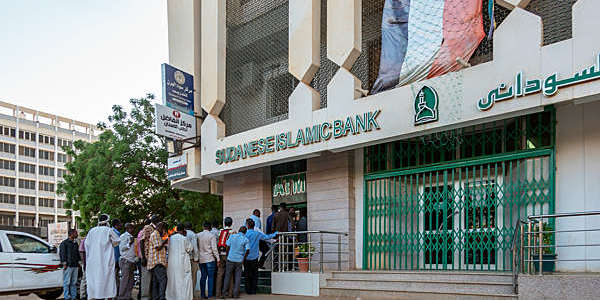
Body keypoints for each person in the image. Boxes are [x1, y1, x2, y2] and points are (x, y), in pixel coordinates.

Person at [85, 214, 121, 299]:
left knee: (95, 280)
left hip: (93, 262)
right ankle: (108, 298)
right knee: (107, 280)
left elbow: (87, 245)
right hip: (105, 261)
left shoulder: (92, 231)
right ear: (107, 221)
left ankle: (96, 297)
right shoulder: (108, 230)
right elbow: (117, 241)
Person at [244, 219, 277, 295]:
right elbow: (267, 237)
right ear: (253, 226)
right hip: (254, 257)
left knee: (247, 274)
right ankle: (253, 290)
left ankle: (248, 290)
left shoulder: (245, 234)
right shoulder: (257, 234)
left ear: (247, 226)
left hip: (246, 257)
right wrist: (275, 233)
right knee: (255, 274)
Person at [166, 223, 193, 300]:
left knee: (173, 280)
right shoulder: (184, 238)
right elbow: (190, 248)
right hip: (182, 263)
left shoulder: (171, 238)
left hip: (172, 263)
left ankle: (172, 297)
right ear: (183, 230)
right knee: (184, 281)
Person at [221, 226, 250, 299]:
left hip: (230, 259)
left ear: (239, 230)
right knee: (238, 278)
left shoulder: (232, 236)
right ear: (245, 232)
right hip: (239, 260)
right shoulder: (246, 239)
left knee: (227, 276)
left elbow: (227, 246)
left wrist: (228, 255)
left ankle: (224, 293)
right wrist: (244, 258)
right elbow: (248, 250)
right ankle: (235, 294)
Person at [198, 221, 220, 299]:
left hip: (201, 259)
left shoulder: (198, 235)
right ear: (210, 227)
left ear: (203, 226)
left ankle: (202, 295)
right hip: (210, 259)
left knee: (203, 277)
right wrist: (218, 259)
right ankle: (210, 295)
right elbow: (214, 249)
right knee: (211, 277)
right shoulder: (211, 235)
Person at [148, 222, 169, 300]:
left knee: (155, 282)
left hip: (155, 262)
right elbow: (158, 247)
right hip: (157, 262)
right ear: (162, 228)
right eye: (165, 230)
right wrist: (165, 241)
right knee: (163, 280)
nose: (165, 232)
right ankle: (161, 297)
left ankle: (156, 297)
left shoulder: (156, 235)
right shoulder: (155, 234)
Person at [140, 215, 160, 300]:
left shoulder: (155, 229)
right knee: (146, 278)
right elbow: (141, 241)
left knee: (152, 279)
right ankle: (145, 297)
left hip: (153, 257)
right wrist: (143, 257)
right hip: (147, 257)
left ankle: (151, 296)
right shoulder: (148, 227)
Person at [59, 229, 80, 300]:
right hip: (68, 266)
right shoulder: (64, 243)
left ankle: (73, 297)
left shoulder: (75, 243)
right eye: (75, 233)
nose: (77, 234)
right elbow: (62, 254)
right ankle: (66, 297)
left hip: (75, 265)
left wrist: (79, 263)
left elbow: (77, 254)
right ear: (71, 234)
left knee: (74, 282)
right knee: (67, 282)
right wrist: (64, 263)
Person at [215, 217, 233, 298]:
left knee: (220, 274)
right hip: (229, 255)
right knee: (230, 274)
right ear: (231, 223)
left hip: (220, 254)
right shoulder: (232, 232)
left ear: (224, 223)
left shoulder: (220, 231)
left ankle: (218, 293)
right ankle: (229, 293)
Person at [119, 223, 137, 300]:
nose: (132, 229)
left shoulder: (131, 236)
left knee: (131, 280)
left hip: (131, 260)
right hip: (125, 260)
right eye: (131, 228)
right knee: (125, 280)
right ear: (127, 228)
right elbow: (122, 248)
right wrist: (129, 243)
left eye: (132, 228)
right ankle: (121, 296)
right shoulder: (123, 236)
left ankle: (127, 296)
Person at [184, 222, 199, 298]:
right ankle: (191, 294)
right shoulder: (193, 234)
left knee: (185, 277)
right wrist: (196, 258)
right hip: (192, 259)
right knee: (193, 277)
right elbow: (195, 247)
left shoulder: (182, 234)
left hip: (184, 259)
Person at [111, 218, 123, 292]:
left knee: (116, 276)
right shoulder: (114, 233)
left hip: (115, 258)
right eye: (119, 223)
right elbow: (115, 248)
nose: (121, 225)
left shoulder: (115, 232)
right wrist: (116, 259)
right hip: (115, 258)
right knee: (115, 276)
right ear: (116, 225)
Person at [78, 236, 87, 300]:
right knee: (84, 279)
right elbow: (81, 252)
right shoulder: (85, 240)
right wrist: (84, 264)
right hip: (86, 264)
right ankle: (82, 295)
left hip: (91, 264)